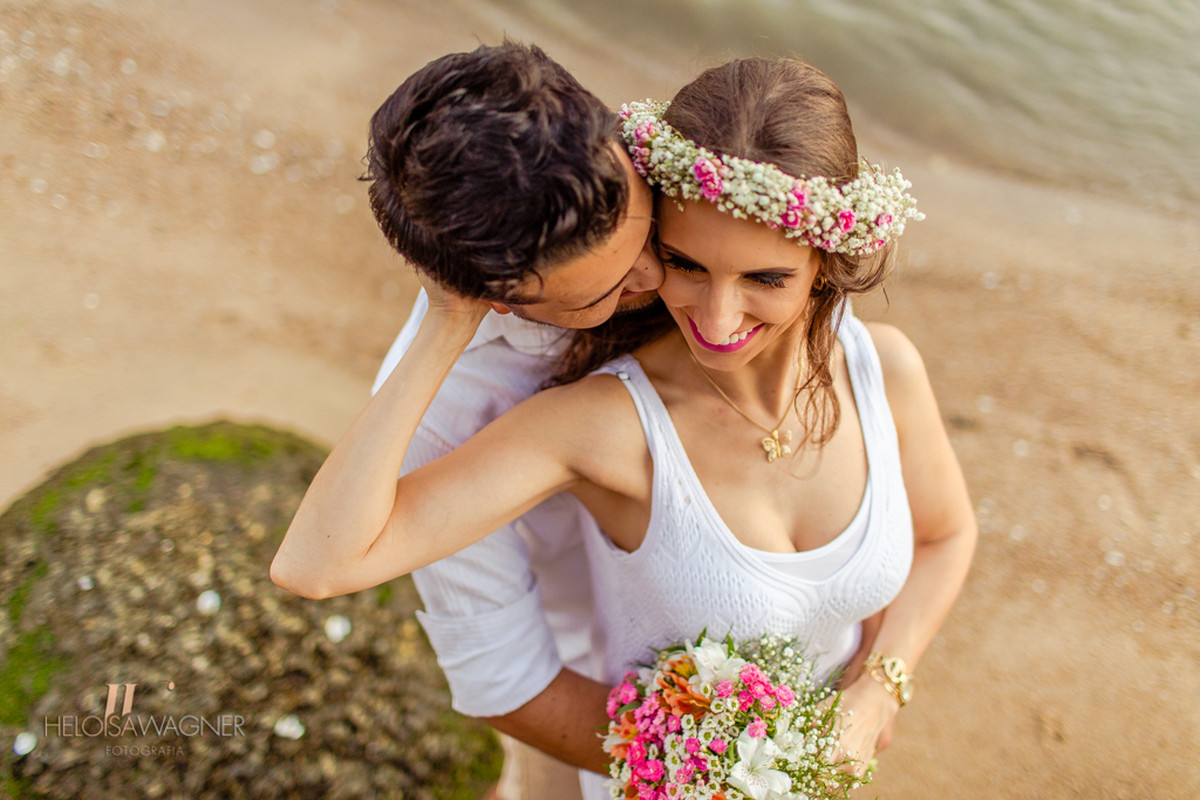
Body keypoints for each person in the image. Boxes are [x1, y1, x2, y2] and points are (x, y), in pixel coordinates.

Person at [273, 55, 977, 799]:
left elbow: (944, 534)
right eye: (679, 265)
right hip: (619, 749)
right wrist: (452, 310)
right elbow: (321, 566)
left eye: (765, 278)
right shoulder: (569, 422)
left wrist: (880, 685)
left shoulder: (872, 360)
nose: (710, 317)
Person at [360, 40, 662, 800]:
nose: (658, 278)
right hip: (598, 689)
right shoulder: (440, 421)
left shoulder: (649, 157)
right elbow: (510, 680)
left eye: (650, 233)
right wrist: (714, 765)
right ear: (498, 297)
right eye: (612, 292)